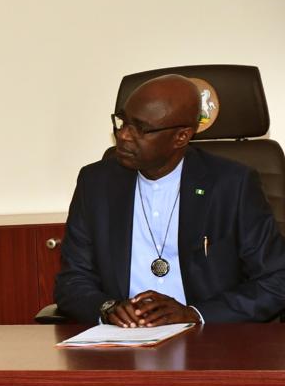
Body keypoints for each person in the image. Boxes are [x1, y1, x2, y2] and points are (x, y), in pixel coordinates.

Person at [55, 74, 285, 326]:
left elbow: (275, 280)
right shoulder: (95, 183)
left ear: (181, 137)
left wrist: (195, 314)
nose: (123, 136)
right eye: (123, 122)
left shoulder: (232, 185)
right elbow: (72, 281)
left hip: (208, 341)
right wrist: (107, 308)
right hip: (122, 340)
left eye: (140, 128)